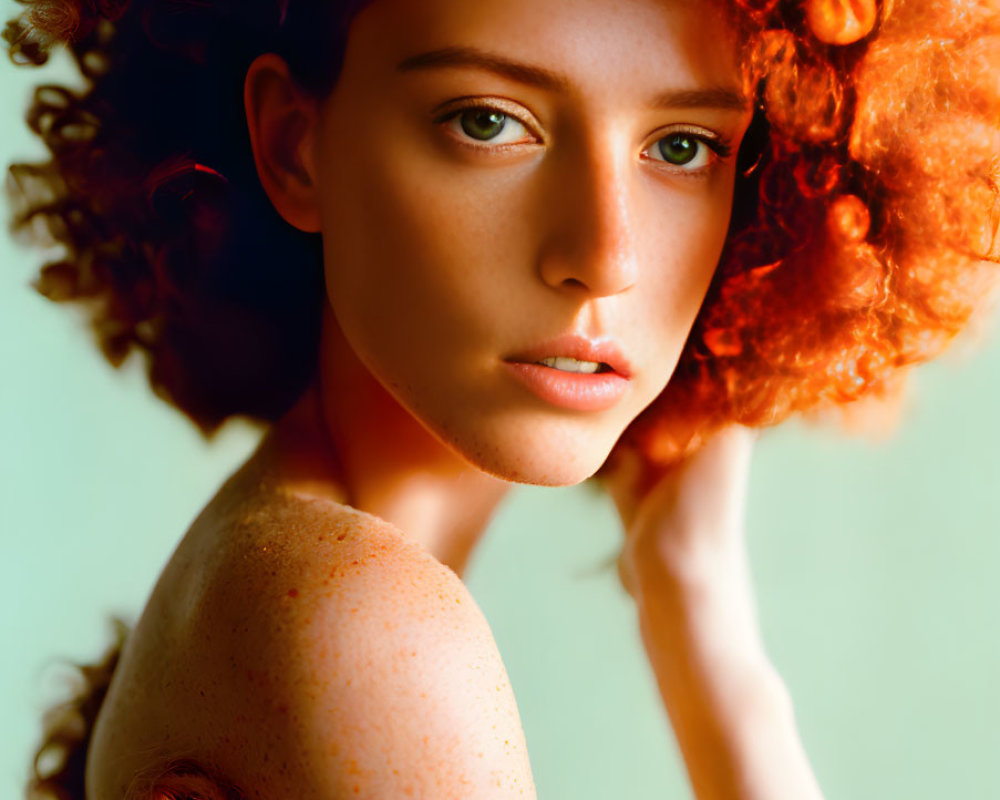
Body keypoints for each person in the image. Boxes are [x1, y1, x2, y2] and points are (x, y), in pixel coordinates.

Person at [5, 0, 998, 798]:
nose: (604, 257)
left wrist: (693, 598)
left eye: (684, 145)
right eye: (488, 122)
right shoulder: (356, 615)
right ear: (293, 144)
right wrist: (721, 677)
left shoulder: (277, 561)